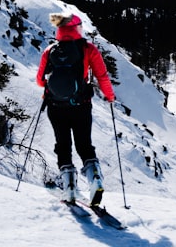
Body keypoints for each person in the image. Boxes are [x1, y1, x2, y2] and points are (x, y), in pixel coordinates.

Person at [36, 11, 116, 205]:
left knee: (63, 146)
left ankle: (69, 187)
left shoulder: (50, 50)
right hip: (81, 106)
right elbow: (102, 76)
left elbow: (40, 81)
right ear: (76, 28)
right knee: (84, 145)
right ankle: (95, 179)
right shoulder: (88, 49)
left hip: (56, 107)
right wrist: (110, 96)